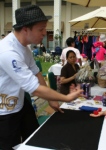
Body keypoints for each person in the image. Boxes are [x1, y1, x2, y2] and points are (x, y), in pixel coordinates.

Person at [0, 5, 82, 150]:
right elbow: (35, 89)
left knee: (34, 138)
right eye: (41, 29)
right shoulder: (8, 51)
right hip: (5, 111)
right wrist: (67, 98)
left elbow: (37, 73)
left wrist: (51, 99)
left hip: (20, 103)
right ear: (25, 29)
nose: (45, 32)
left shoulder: (25, 48)